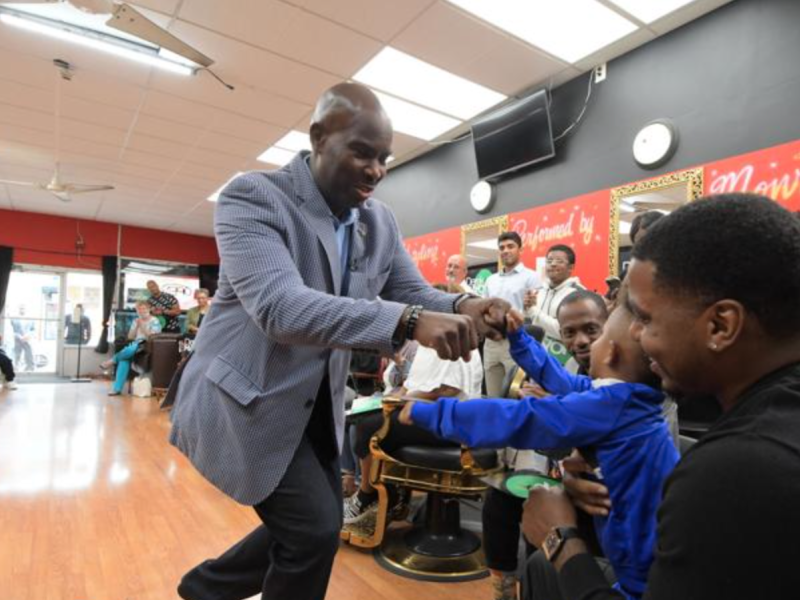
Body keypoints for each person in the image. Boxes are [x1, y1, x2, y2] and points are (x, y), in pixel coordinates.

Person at [168, 83, 511, 600]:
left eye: (384, 158)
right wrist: (407, 321)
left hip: (315, 408)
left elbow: (410, 291)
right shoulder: (254, 197)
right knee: (311, 531)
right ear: (318, 138)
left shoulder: (379, 220)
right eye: (362, 152)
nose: (376, 170)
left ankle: (206, 590)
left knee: (317, 527)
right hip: (246, 398)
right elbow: (280, 308)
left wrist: (464, 306)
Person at [519, 193, 800, 600]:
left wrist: (560, 540)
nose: (635, 337)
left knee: (544, 566)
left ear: (721, 326)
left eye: (646, 319)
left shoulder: (737, 469)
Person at [401, 301, 679, 600]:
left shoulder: (611, 404)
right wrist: (518, 338)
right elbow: (558, 377)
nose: (583, 343)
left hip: (637, 573)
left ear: (611, 352)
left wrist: (433, 414)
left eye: (595, 335)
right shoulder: (624, 397)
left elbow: (518, 418)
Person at [482, 290, 610, 600]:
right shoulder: (575, 372)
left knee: (540, 509)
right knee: (500, 500)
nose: (580, 341)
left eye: (591, 330)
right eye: (570, 333)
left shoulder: (628, 377)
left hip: (609, 499)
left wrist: (555, 412)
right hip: (573, 476)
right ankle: (504, 582)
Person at [343, 319, 483, 526]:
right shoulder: (431, 344)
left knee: (369, 427)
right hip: (433, 415)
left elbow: (447, 390)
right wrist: (394, 397)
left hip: (451, 425)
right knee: (361, 416)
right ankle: (388, 494)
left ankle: (367, 495)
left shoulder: (453, 342)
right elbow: (413, 384)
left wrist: (401, 400)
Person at [484, 232, 542, 396]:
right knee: (493, 396)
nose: (505, 250)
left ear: (520, 250)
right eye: (502, 247)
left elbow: (534, 313)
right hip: (491, 343)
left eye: (510, 246)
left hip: (515, 342)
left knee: (515, 395)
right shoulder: (491, 280)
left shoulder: (531, 277)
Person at [525, 244, 585, 343]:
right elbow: (530, 323)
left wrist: (533, 310)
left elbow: (565, 332)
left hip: (563, 356)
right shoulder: (538, 291)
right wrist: (526, 309)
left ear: (571, 267)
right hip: (535, 353)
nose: (553, 264)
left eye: (559, 261)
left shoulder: (578, 294)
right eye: (549, 261)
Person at [101, 300, 161, 396]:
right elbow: (131, 337)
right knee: (124, 360)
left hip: (148, 345)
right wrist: (136, 326)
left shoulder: (155, 321)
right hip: (136, 344)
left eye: (144, 309)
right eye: (139, 309)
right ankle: (116, 389)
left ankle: (112, 360)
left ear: (149, 309)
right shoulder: (136, 320)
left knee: (133, 347)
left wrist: (142, 326)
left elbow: (152, 337)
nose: (141, 311)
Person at [11, 306, 34, 372]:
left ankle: (29, 368)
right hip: (18, 339)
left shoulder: (31, 319)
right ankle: (16, 369)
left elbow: (33, 330)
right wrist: (19, 336)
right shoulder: (14, 319)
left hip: (27, 339)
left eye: (23, 308)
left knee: (29, 354)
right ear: (19, 309)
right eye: (21, 308)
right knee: (17, 354)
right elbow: (13, 330)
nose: (22, 310)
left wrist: (28, 335)